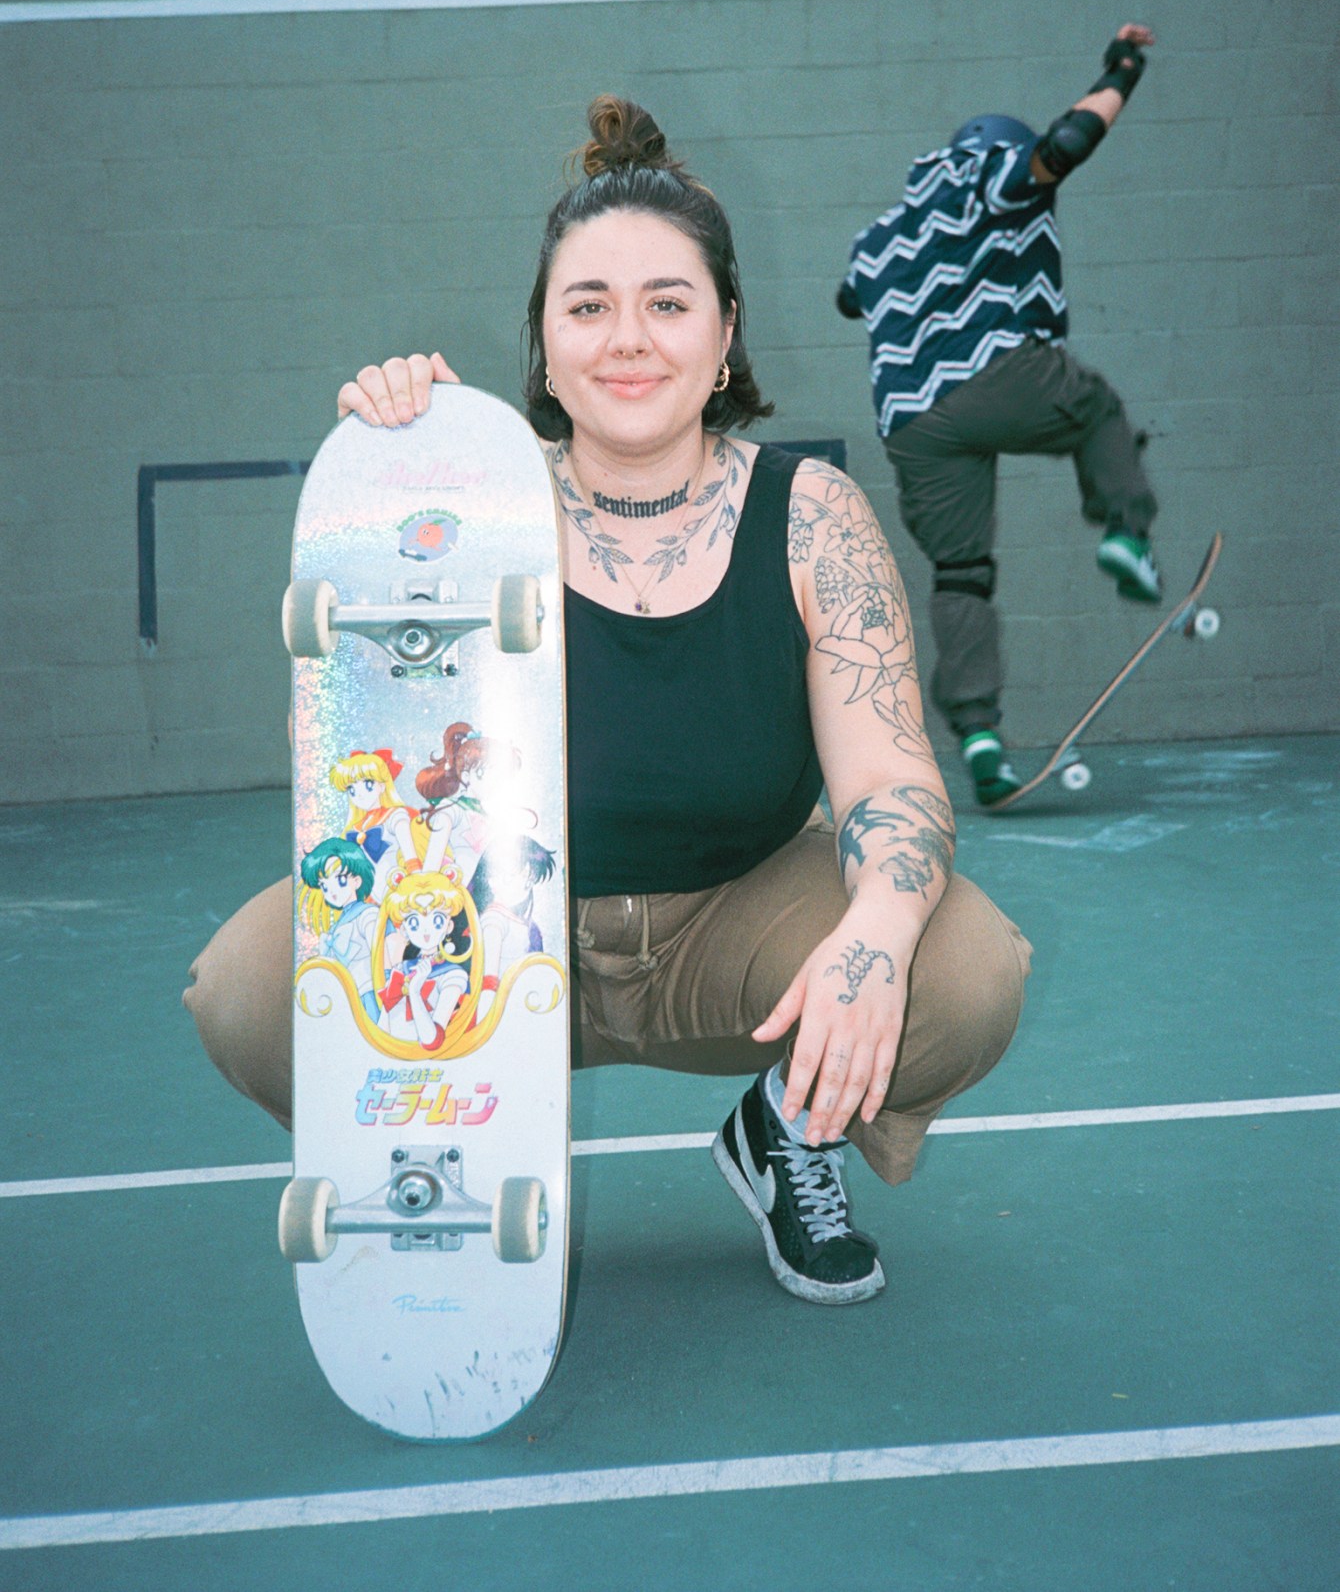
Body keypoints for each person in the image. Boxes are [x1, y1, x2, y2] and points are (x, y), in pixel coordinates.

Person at [185, 96, 1031, 1307]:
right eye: (587, 306)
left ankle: (789, 1129)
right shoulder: (466, 510)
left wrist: (872, 943)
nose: (627, 340)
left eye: (667, 304)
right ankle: (456, 1134)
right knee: (252, 988)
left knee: (960, 970)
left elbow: (892, 784)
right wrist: (393, 485)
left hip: (735, 934)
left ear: (726, 332)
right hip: (495, 932)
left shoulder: (811, 518)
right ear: (540, 338)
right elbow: (341, 775)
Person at [838, 26, 1161, 807]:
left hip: (914, 423)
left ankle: (980, 736)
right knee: (1098, 411)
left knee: (962, 573)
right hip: (994, 375)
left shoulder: (881, 232)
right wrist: (1122, 69)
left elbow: (850, 296)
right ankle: (1125, 532)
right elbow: (1070, 140)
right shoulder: (994, 177)